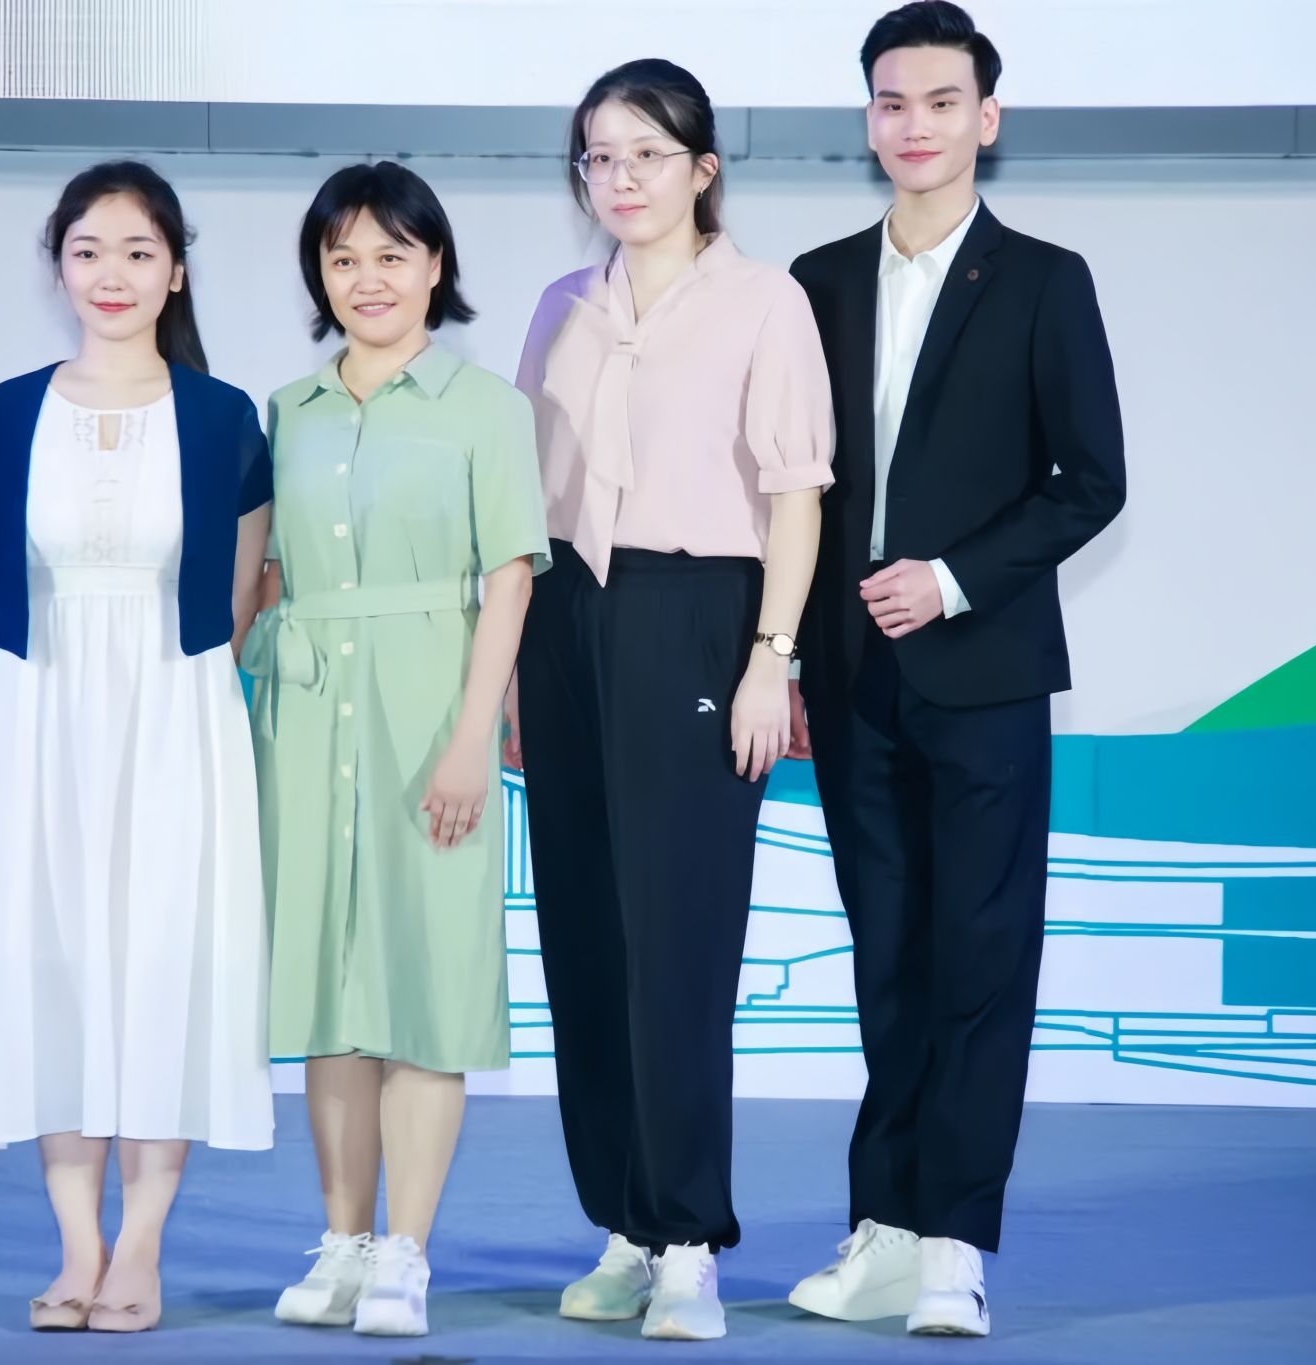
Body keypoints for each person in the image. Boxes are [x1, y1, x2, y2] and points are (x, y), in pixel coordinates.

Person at [783, 2, 1127, 1338]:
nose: (913, 124)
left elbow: (1087, 482)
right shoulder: (814, 282)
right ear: (867, 119)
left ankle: (952, 1247)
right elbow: (790, 490)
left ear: (987, 116)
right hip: (846, 680)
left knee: (980, 960)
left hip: (982, 675)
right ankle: (881, 1226)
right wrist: (781, 654)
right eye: (891, 102)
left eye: (939, 101)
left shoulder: (1043, 279)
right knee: (886, 960)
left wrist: (952, 577)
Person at [0, 160, 276, 1334]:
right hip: (45, 714)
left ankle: (140, 1249)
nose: (111, 274)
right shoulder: (3, 412)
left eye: (137, 251)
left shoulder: (223, 418)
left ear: (174, 272)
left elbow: (235, 595)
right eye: (87, 251)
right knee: (57, 967)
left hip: (178, 712)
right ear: (58, 267)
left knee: (165, 964)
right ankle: (76, 1247)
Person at [512, 58, 834, 1342]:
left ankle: (689, 1237)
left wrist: (770, 657)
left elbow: (794, 498)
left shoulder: (765, 302)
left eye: (646, 153)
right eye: (598, 156)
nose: (620, 177)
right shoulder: (559, 306)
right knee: (585, 939)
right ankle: (624, 1223)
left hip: (697, 614)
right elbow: (525, 500)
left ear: (702, 168)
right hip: (563, 617)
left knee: (680, 946)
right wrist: (512, 668)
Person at [247, 161, 549, 1339]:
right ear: (317, 275)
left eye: (390, 254)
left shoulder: (486, 409)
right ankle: (341, 1242)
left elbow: (509, 579)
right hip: (302, 718)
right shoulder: (286, 411)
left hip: (432, 717)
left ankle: (405, 1254)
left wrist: (474, 736)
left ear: (434, 266)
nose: (365, 279)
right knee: (327, 992)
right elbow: (263, 576)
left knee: (423, 986)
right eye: (342, 258)